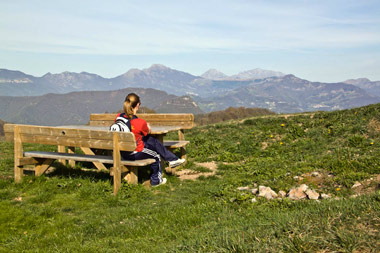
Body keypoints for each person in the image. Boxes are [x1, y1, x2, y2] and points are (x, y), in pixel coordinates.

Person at [111, 93, 185, 186]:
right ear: (137, 105)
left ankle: (172, 159)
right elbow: (147, 132)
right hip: (134, 152)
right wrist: (148, 126)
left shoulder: (119, 117)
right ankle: (156, 181)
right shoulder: (140, 122)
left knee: (151, 141)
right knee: (156, 155)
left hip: (121, 152)